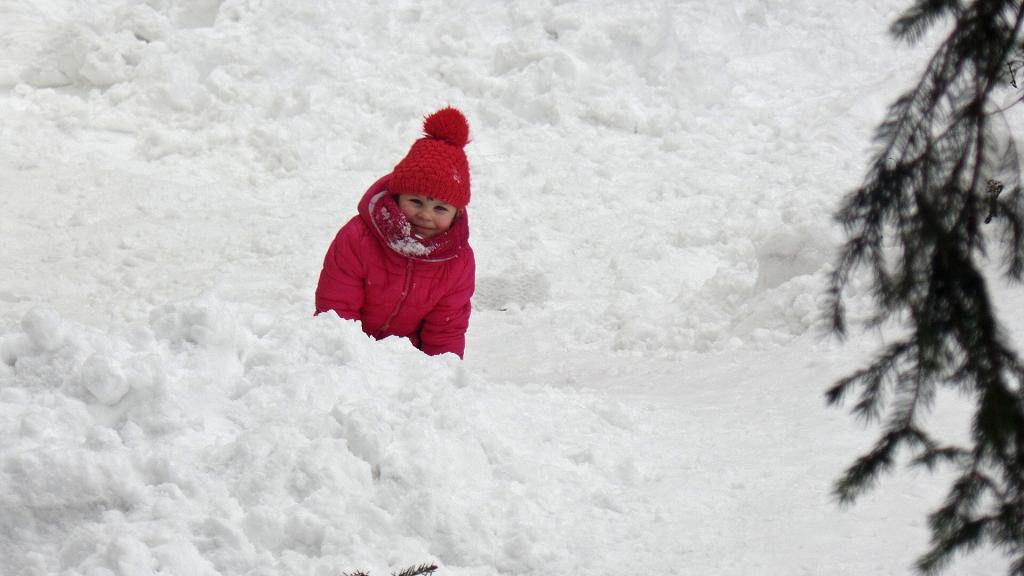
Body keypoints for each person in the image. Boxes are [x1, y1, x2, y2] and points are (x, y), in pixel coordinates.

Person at [315, 107, 475, 358]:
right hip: (348, 353)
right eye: (416, 202)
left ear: (457, 213)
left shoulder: (457, 263)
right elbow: (337, 309)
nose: (426, 215)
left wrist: (439, 379)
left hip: (406, 364)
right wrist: (345, 358)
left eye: (440, 208)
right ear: (397, 196)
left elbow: (446, 329)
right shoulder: (358, 238)